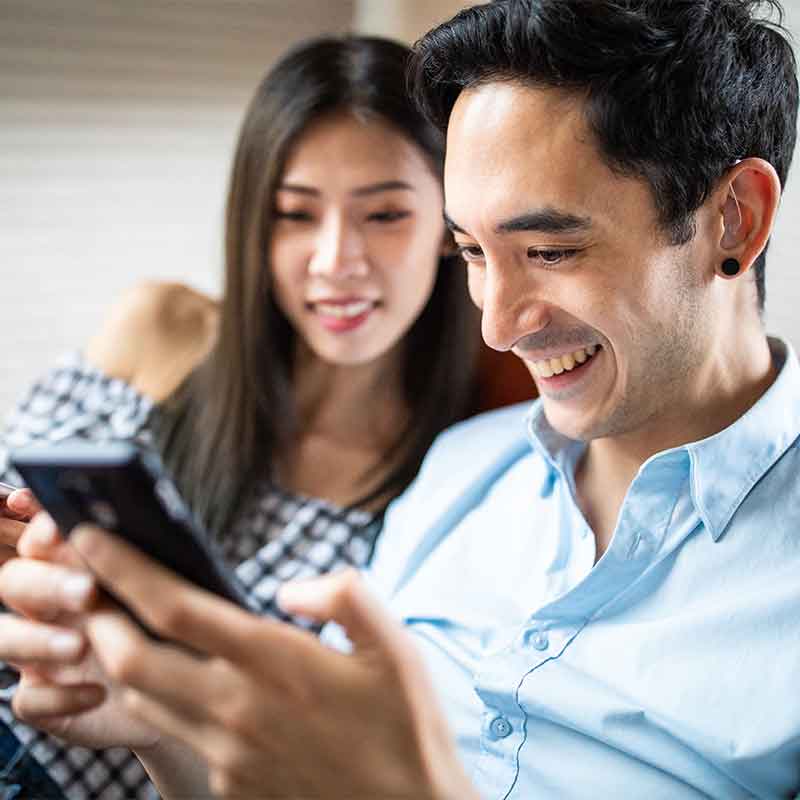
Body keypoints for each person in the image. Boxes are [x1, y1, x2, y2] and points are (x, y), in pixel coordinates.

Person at [3, 0, 800, 797]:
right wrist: (163, 721)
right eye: (471, 252)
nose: (497, 327)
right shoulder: (459, 473)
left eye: (550, 250)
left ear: (734, 219)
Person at [0, 34, 479, 799]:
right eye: (294, 215)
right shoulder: (158, 327)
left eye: (384, 215)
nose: (334, 260)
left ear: (456, 230)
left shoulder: (455, 479)